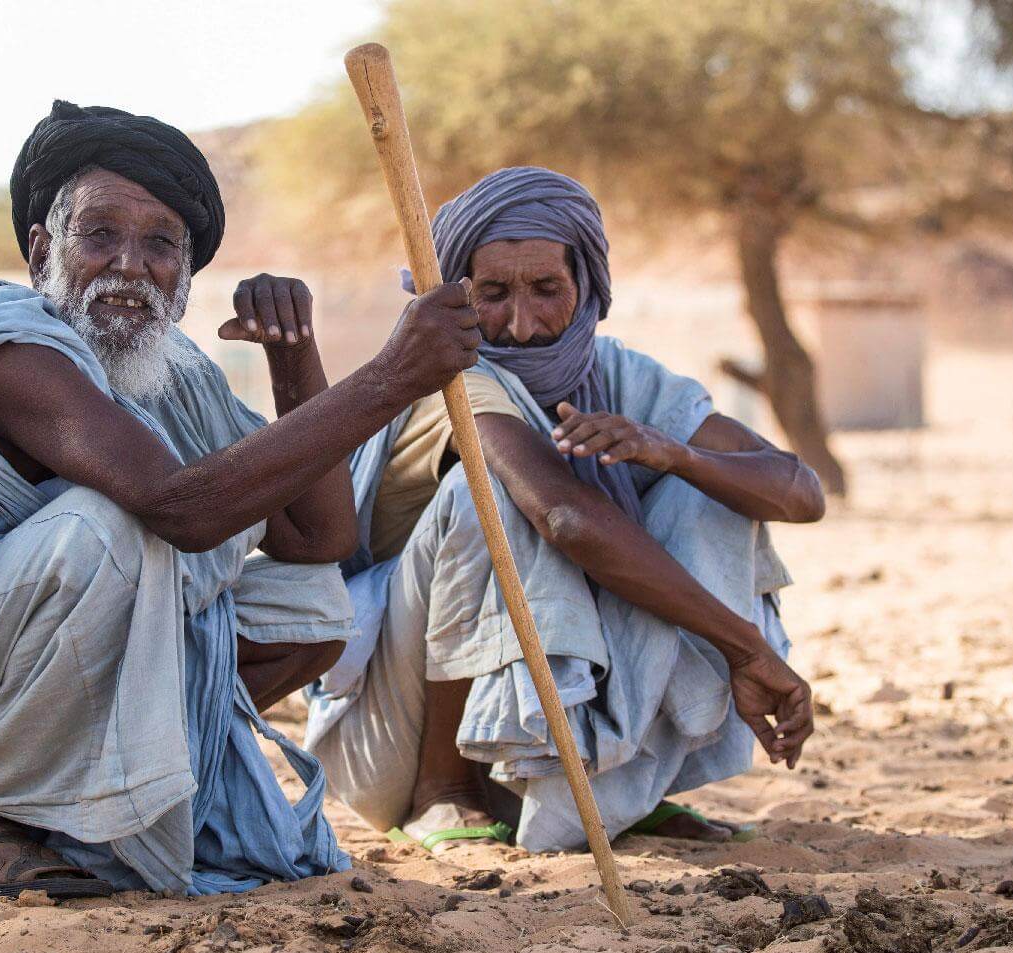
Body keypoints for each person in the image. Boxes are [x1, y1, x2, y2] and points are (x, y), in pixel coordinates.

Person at [0, 101, 483, 896]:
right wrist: (388, 379)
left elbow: (318, 540)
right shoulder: (4, 341)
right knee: (105, 525)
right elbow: (176, 505)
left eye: (160, 243)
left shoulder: (172, 372)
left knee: (311, 605)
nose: (131, 265)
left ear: (185, 273)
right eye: (99, 234)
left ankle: (68, 791)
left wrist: (292, 356)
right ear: (41, 249)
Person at [305, 167, 821, 854]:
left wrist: (677, 455)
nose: (521, 323)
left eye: (546, 289)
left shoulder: (622, 376)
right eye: (492, 293)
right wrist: (746, 648)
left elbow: (799, 492)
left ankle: (627, 789)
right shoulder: (453, 378)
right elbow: (563, 516)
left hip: (547, 740)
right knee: (484, 495)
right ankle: (443, 789)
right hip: (389, 732)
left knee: (709, 495)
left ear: (587, 288)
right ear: (456, 296)